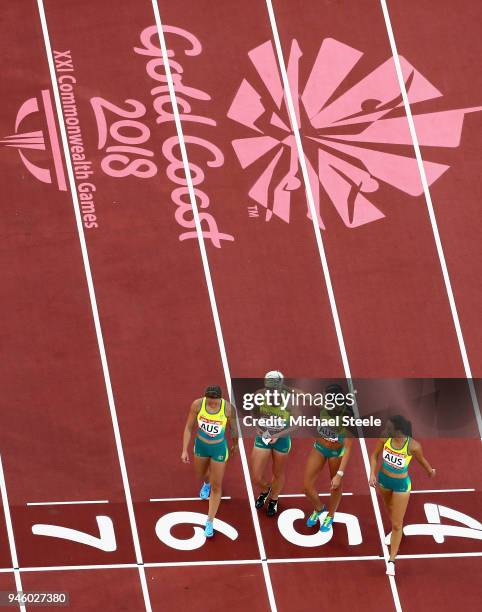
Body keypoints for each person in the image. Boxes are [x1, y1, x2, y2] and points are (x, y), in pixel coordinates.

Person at [369, 414, 436, 575]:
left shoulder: (413, 446)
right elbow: (374, 455)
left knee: (397, 523)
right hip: (384, 481)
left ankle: (391, 561)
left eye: (389, 428)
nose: (385, 430)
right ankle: (396, 532)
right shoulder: (385, 438)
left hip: (401, 486)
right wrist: (372, 473)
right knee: (390, 509)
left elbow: (423, 462)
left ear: (398, 431)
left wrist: (430, 471)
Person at [181, 385, 238, 537]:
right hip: (201, 446)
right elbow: (188, 427)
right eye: (210, 401)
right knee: (201, 474)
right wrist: (184, 449)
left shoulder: (228, 408)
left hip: (218, 449)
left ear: (220, 398)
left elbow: (233, 428)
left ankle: (210, 521)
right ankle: (206, 483)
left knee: (216, 486)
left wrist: (235, 444)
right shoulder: (198, 405)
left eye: (215, 401)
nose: (212, 404)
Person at [303, 383, 354, 532]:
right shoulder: (323, 405)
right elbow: (304, 396)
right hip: (319, 448)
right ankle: (319, 508)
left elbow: (348, 447)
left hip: (335, 454)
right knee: (306, 487)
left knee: (335, 486)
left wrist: (340, 474)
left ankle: (330, 515)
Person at [251, 371, 298, 517]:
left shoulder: (289, 400)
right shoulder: (259, 395)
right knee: (256, 477)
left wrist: (277, 435)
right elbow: (254, 413)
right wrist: (258, 428)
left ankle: (274, 499)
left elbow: (295, 424)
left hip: (281, 440)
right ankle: (266, 490)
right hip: (264, 437)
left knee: (278, 473)